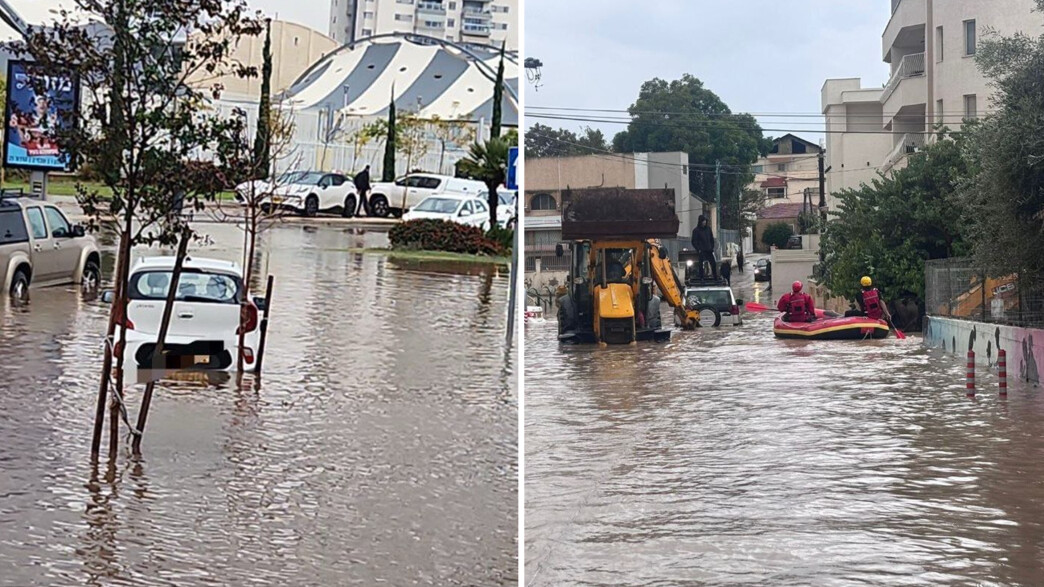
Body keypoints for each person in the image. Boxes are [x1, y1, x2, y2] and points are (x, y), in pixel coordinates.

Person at [691, 215, 718, 280]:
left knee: (713, 264)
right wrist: (698, 249)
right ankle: (701, 277)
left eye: (705, 221)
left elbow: (711, 239)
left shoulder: (708, 229)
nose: (704, 222)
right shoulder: (696, 230)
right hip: (702, 251)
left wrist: (712, 247)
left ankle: (715, 277)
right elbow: (694, 241)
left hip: (709, 250)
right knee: (701, 265)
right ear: (700, 222)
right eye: (703, 221)